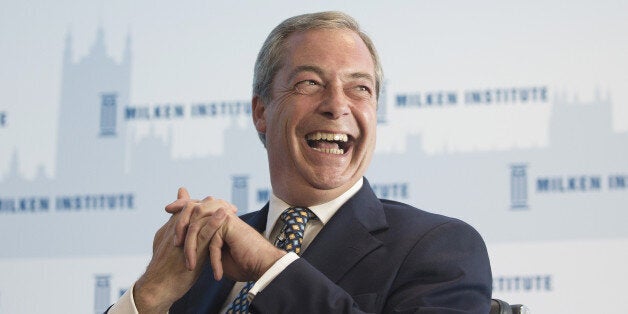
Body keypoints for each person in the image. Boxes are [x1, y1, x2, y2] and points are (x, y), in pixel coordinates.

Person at [108, 11, 492, 314]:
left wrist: (269, 265)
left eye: (360, 88)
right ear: (261, 111)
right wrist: (149, 297)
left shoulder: (440, 248)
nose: (337, 105)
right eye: (310, 83)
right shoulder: (204, 252)